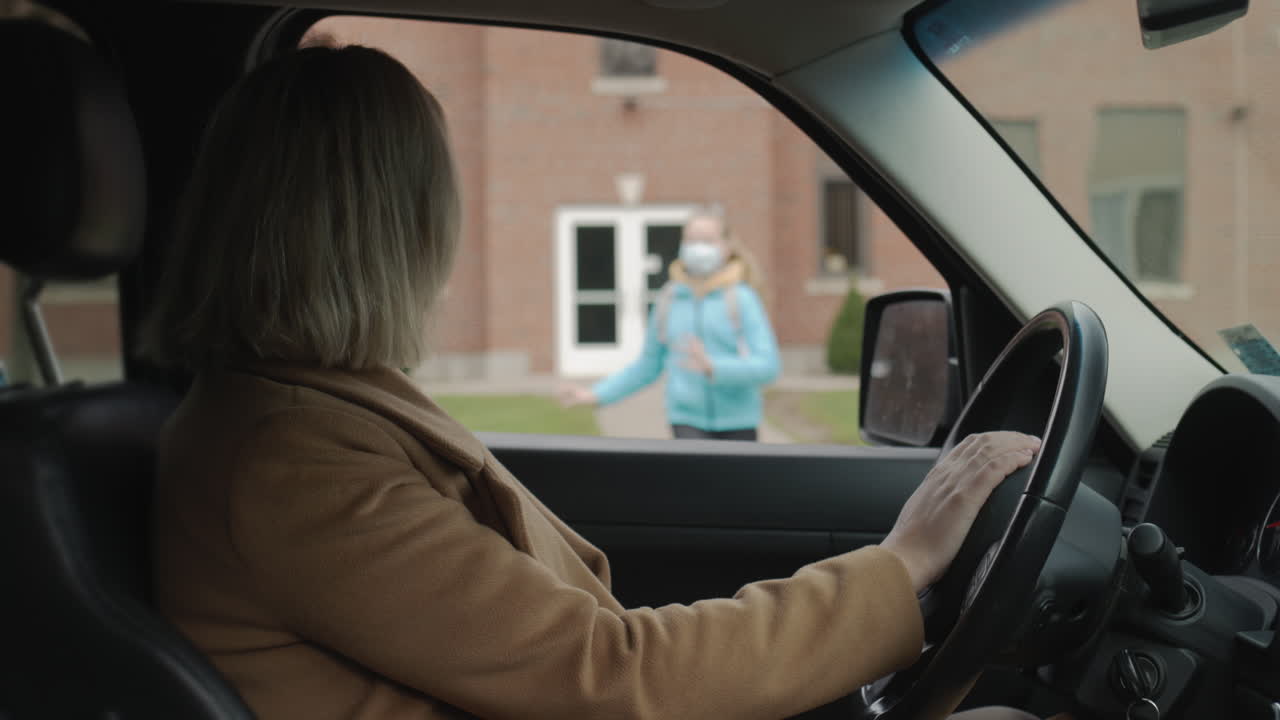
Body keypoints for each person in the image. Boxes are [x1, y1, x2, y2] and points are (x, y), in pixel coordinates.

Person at [145, 44, 1053, 720]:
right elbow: (614, 674)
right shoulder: (286, 465)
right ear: (383, 239)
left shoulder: (302, 420)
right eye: (436, 213)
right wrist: (903, 564)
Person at [560, 208, 779, 441]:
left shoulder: (742, 299)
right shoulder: (669, 299)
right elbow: (648, 365)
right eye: (691, 240)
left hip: (739, 422)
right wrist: (596, 394)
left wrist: (714, 368)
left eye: (707, 240)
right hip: (686, 421)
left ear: (726, 247)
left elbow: (768, 367)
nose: (698, 247)